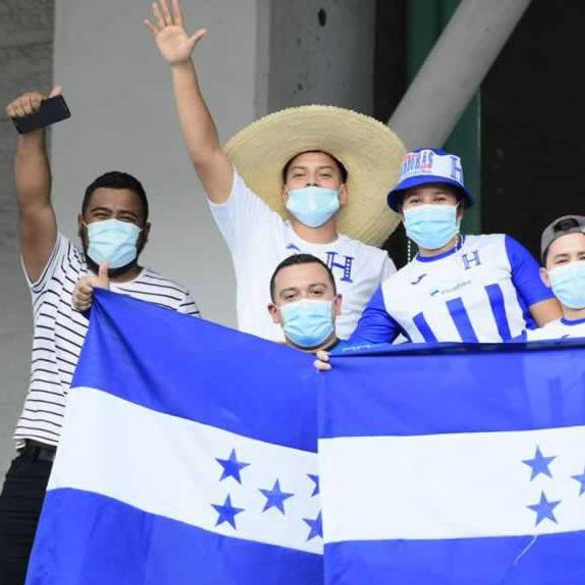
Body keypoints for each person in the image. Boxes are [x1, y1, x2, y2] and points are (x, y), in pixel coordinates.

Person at [0, 87, 200, 585]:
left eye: (125, 218)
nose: (112, 224)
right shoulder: (56, 268)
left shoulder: (173, 300)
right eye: (100, 214)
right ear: (82, 223)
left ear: (145, 232)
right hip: (41, 463)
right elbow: (32, 200)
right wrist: (32, 130)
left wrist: (115, 313)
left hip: (119, 471)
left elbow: (180, 388)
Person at [146, 0, 402, 342]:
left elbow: (392, 348)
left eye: (325, 174)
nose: (312, 180)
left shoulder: (375, 263)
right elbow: (206, 156)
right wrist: (181, 67)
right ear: (284, 193)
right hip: (262, 383)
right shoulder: (257, 230)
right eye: (299, 175)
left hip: (340, 389)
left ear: (343, 192)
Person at [343, 148, 561, 347]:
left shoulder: (502, 248)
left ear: (459, 210)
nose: (427, 208)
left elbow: (557, 330)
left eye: (439, 199)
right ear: (402, 215)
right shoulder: (392, 291)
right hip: (445, 391)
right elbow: (353, 356)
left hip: (523, 386)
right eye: (415, 201)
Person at [268, 254, 343, 353]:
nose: (305, 304)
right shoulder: (260, 365)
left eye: (316, 292)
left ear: (337, 304)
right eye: (291, 296)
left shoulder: (362, 359)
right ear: (274, 313)